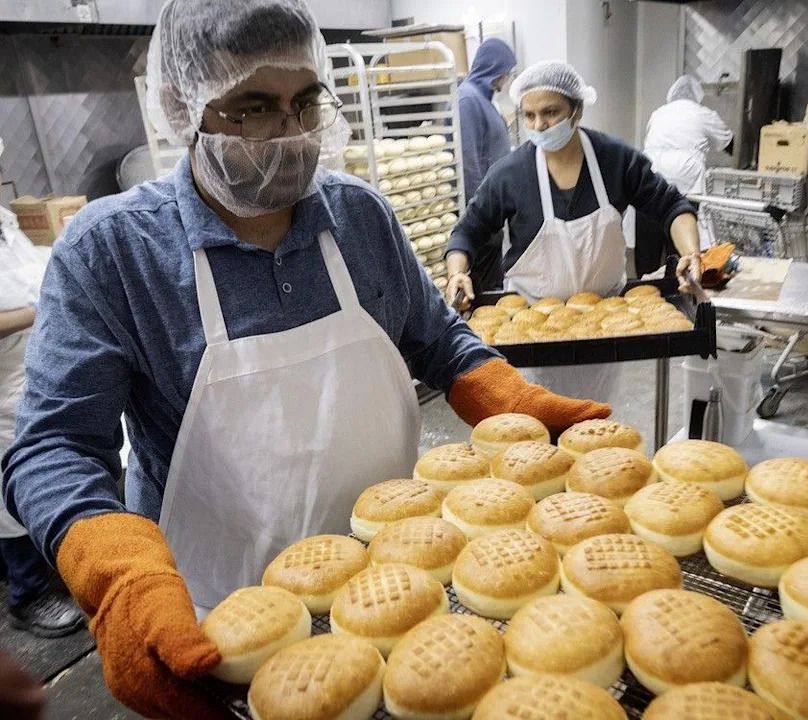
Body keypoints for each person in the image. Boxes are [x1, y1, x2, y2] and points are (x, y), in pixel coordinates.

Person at [1, 2, 609, 717]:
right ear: (180, 106)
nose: (290, 136)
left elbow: (437, 338)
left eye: (305, 103)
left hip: (399, 583)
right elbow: (55, 446)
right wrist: (117, 577)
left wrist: (513, 399)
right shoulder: (114, 251)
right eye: (253, 108)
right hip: (222, 611)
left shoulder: (358, 215)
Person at [444, 60, 702, 398]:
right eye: (529, 115)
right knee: (536, 426)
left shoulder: (616, 159)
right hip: (531, 325)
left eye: (551, 112)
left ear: (576, 110)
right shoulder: (510, 174)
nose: (540, 124)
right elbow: (466, 233)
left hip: (604, 319)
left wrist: (691, 253)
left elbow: (672, 206)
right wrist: (457, 274)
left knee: (594, 420)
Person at [0, 136, 84, 640]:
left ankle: (52, 572)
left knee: (44, 471)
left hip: (34, 370)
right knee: (8, 491)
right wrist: (44, 307)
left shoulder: (4, 220)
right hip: (0, 386)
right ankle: (28, 594)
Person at [457, 38, 517, 293]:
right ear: (495, 68)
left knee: (494, 279)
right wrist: (481, 212)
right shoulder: (467, 100)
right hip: (483, 210)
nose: (508, 78)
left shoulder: (485, 99)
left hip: (496, 206)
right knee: (482, 285)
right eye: (507, 72)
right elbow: (468, 161)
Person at [643, 74, 733, 196]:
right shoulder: (702, 113)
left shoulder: (658, 113)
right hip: (686, 171)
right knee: (685, 211)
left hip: (653, 167)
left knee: (654, 210)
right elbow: (729, 143)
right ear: (697, 95)